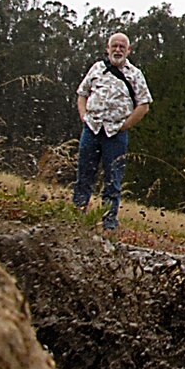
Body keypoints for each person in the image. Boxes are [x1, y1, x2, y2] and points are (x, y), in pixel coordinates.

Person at [72, 32, 153, 231]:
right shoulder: (97, 68)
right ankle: (76, 216)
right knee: (84, 175)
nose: (117, 50)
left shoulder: (135, 74)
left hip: (115, 135)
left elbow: (144, 105)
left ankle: (108, 223)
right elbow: (82, 94)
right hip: (91, 130)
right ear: (107, 48)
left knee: (112, 180)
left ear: (129, 51)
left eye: (122, 47)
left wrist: (125, 125)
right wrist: (84, 116)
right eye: (114, 46)